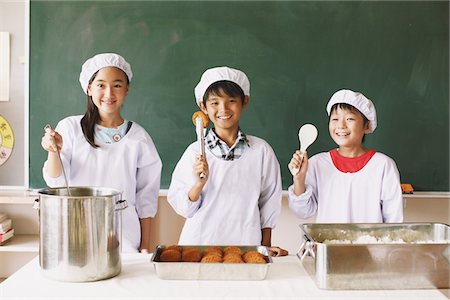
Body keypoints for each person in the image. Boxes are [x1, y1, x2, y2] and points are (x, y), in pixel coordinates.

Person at [41, 53, 162, 253]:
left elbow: (146, 199)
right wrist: (53, 151)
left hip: (124, 237)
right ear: (89, 88)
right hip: (77, 232)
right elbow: (56, 182)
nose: (109, 93)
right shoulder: (70, 128)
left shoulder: (139, 138)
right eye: (100, 85)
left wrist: (145, 247)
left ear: (127, 89)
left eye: (117, 85)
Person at [167, 66, 288, 256]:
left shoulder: (261, 151)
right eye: (214, 102)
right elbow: (183, 207)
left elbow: (269, 202)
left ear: (244, 102)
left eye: (231, 101)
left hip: (246, 247)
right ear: (203, 107)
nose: (223, 109)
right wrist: (198, 185)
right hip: (199, 246)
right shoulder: (195, 152)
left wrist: (264, 247)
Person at [288, 89, 403, 223]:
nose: (341, 125)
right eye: (335, 119)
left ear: (367, 125)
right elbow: (302, 212)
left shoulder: (383, 165)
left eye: (350, 119)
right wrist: (299, 179)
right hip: (328, 243)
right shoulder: (317, 163)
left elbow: (393, 221)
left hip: (370, 244)